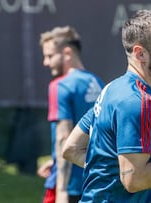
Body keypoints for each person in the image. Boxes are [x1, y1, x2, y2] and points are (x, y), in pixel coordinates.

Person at [62, 9, 151, 202]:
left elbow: (71, 148)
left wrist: (117, 171)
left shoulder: (113, 89)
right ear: (140, 53)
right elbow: (134, 180)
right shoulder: (137, 102)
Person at [37, 26, 104, 203]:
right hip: (97, 182)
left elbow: (63, 137)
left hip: (71, 185)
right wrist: (54, 160)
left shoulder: (60, 86)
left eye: (50, 56)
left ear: (67, 53)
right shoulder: (97, 82)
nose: (45, 62)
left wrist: (61, 189)